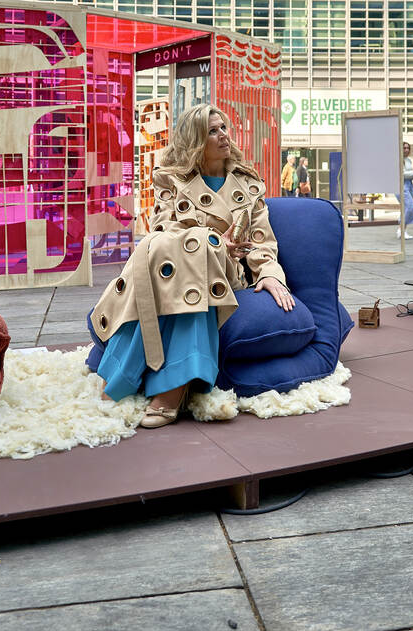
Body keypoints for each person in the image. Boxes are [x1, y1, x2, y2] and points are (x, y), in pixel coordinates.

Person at [88, 104, 294, 428]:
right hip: (174, 266)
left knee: (200, 255)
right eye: (212, 131)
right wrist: (211, 240)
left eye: (223, 127)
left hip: (225, 272)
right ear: (196, 140)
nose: (223, 135)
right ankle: (169, 382)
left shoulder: (248, 185)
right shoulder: (171, 179)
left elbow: (262, 241)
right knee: (180, 250)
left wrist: (269, 274)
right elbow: (161, 229)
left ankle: (150, 382)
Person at [399, 142, 413, 239]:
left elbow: (410, 173)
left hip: (408, 185)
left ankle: (402, 230)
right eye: (404, 148)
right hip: (401, 186)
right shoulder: (398, 160)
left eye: (408, 148)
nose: (406, 150)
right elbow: (402, 174)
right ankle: (401, 229)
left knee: (406, 209)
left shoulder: (409, 160)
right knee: (410, 208)